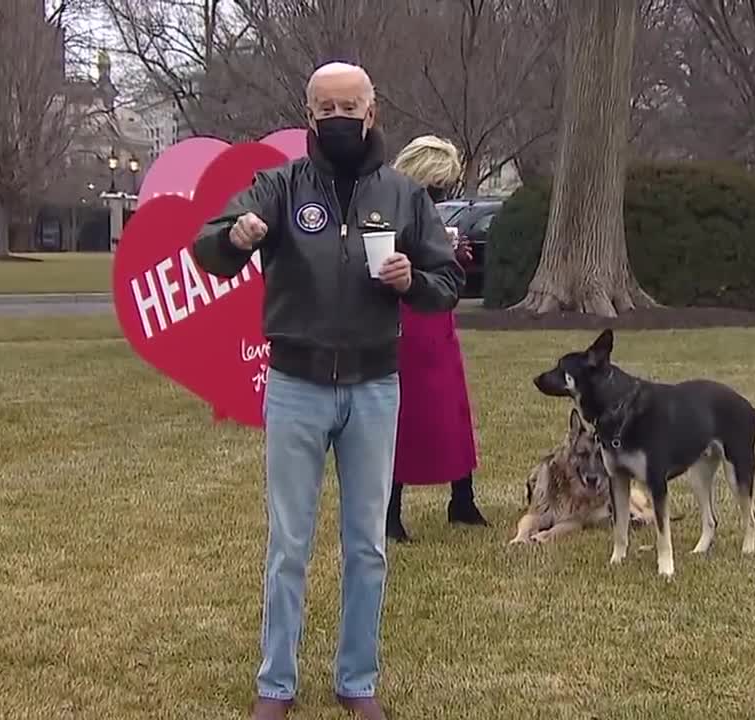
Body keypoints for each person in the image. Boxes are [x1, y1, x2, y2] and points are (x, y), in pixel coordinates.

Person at [193, 62, 464, 720]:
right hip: (296, 383)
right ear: (310, 115)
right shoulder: (281, 186)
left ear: (371, 113)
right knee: (289, 543)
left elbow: (446, 279)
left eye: (351, 105)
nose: (339, 117)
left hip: (374, 386)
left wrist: (411, 281)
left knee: (366, 542)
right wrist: (235, 237)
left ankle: (356, 678)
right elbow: (208, 248)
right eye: (327, 106)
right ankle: (275, 685)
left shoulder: (401, 195)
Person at [385, 135, 488, 542]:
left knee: (453, 408)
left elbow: (444, 269)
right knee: (406, 416)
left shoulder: (423, 208)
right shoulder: (390, 205)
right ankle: (390, 510)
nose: (441, 194)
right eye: (437, 185)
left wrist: (452, 252)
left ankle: (462, 498)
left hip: (437, 317)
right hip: (406, 318)